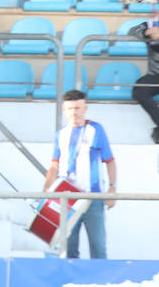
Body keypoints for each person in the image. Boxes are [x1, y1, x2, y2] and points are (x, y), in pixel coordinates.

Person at [44, 91, 118, 259]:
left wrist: (112, 189)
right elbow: (54, 165)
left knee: (98, 248)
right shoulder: (61, 134)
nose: (74, 112)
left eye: (77, 108)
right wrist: (46, 192)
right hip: (67, 198)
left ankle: (100, 284)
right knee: (68, 249)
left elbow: (110, 160)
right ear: (64, 109)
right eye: (70, 108)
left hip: (93, 197)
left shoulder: (96, 129)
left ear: (85, 108)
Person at [128, 17, 159, 142]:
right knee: (139, 89)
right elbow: (132, 31)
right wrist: (147, 32)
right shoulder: (152, 24)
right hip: (155, 76)